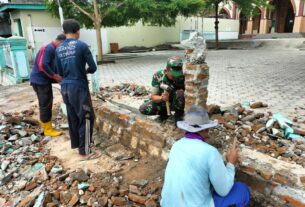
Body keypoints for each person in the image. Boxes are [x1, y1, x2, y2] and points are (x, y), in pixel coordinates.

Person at [161, 105, 251, 207]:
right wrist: (231, 164)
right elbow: (224, 190)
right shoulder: (210, 152)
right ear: (206, 128)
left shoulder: (176, 146)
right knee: (242, 190)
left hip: (167, 204)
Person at [55, 19, 99, 159]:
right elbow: (93, 67)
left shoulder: (59, 48)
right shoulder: (81, 46)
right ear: (77, 31)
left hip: (65, 87)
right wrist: (84, 71)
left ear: (64, 32)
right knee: (86, 118)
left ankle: (78, 146)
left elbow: (59, 72)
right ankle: (85, 151)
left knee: (73, 117)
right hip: (78, 87)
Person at [30, 34, 66, 137]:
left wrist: (60, 77)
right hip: (40, 81)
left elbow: (52, 66)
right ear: (60, 42)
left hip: (44, 79)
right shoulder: (48, 48)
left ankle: (45, 127)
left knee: (46, 103)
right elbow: (43, 65)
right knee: (45, 104)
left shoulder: (53, 49)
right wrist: (55, 76)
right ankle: (47, 130)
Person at [139, 56, 185, 123]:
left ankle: (178, 117)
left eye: (177, 75)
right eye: (173, 76)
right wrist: (162, 98)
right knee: (143, 108)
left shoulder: (183, 77)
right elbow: (153, 97)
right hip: (164, 103)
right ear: (166, 71)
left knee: (180, 93)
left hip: (177, 104)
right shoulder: (158, 76)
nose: (175, 77)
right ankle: (164, 114)